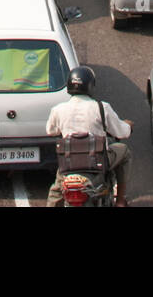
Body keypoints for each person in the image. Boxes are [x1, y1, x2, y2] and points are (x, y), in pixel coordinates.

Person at [46, 66, 132, 208]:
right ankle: (121, 200)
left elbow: (50, 131)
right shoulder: (101, 108)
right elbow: (122, 133)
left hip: (69, 164)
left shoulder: (58, 110)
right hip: (97, 161)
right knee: (124, 152)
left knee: (55, 193)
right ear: (91, 86)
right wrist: (128, 125)